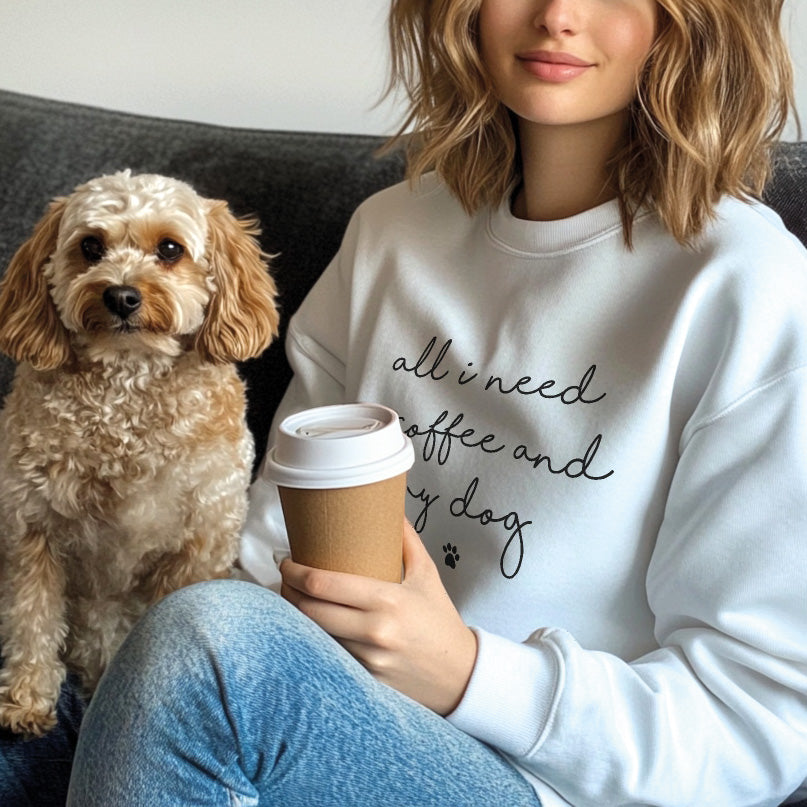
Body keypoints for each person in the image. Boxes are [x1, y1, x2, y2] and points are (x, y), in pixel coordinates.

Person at [54, 0, 807, 803]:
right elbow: (266, 554)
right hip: (318, 716)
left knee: (206, 641)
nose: (558, 15)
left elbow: (757, 723)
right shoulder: (390, 233)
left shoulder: (747, 284)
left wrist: (467, 671)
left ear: (692, 20)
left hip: (542, 780)